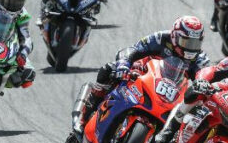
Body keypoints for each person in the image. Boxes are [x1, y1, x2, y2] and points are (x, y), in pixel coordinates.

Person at [71, 16, 210, 129]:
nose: (191, 48)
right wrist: (124, 64)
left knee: (183, 122)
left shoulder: (200, 58)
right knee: (108, 70)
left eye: (195, 44)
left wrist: (204, 89)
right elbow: (135, 49)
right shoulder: (161, 38)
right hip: (144, 72)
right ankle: (85, 113)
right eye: (186, 42)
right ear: (175, 36)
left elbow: (205, 78)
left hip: (171, 92)